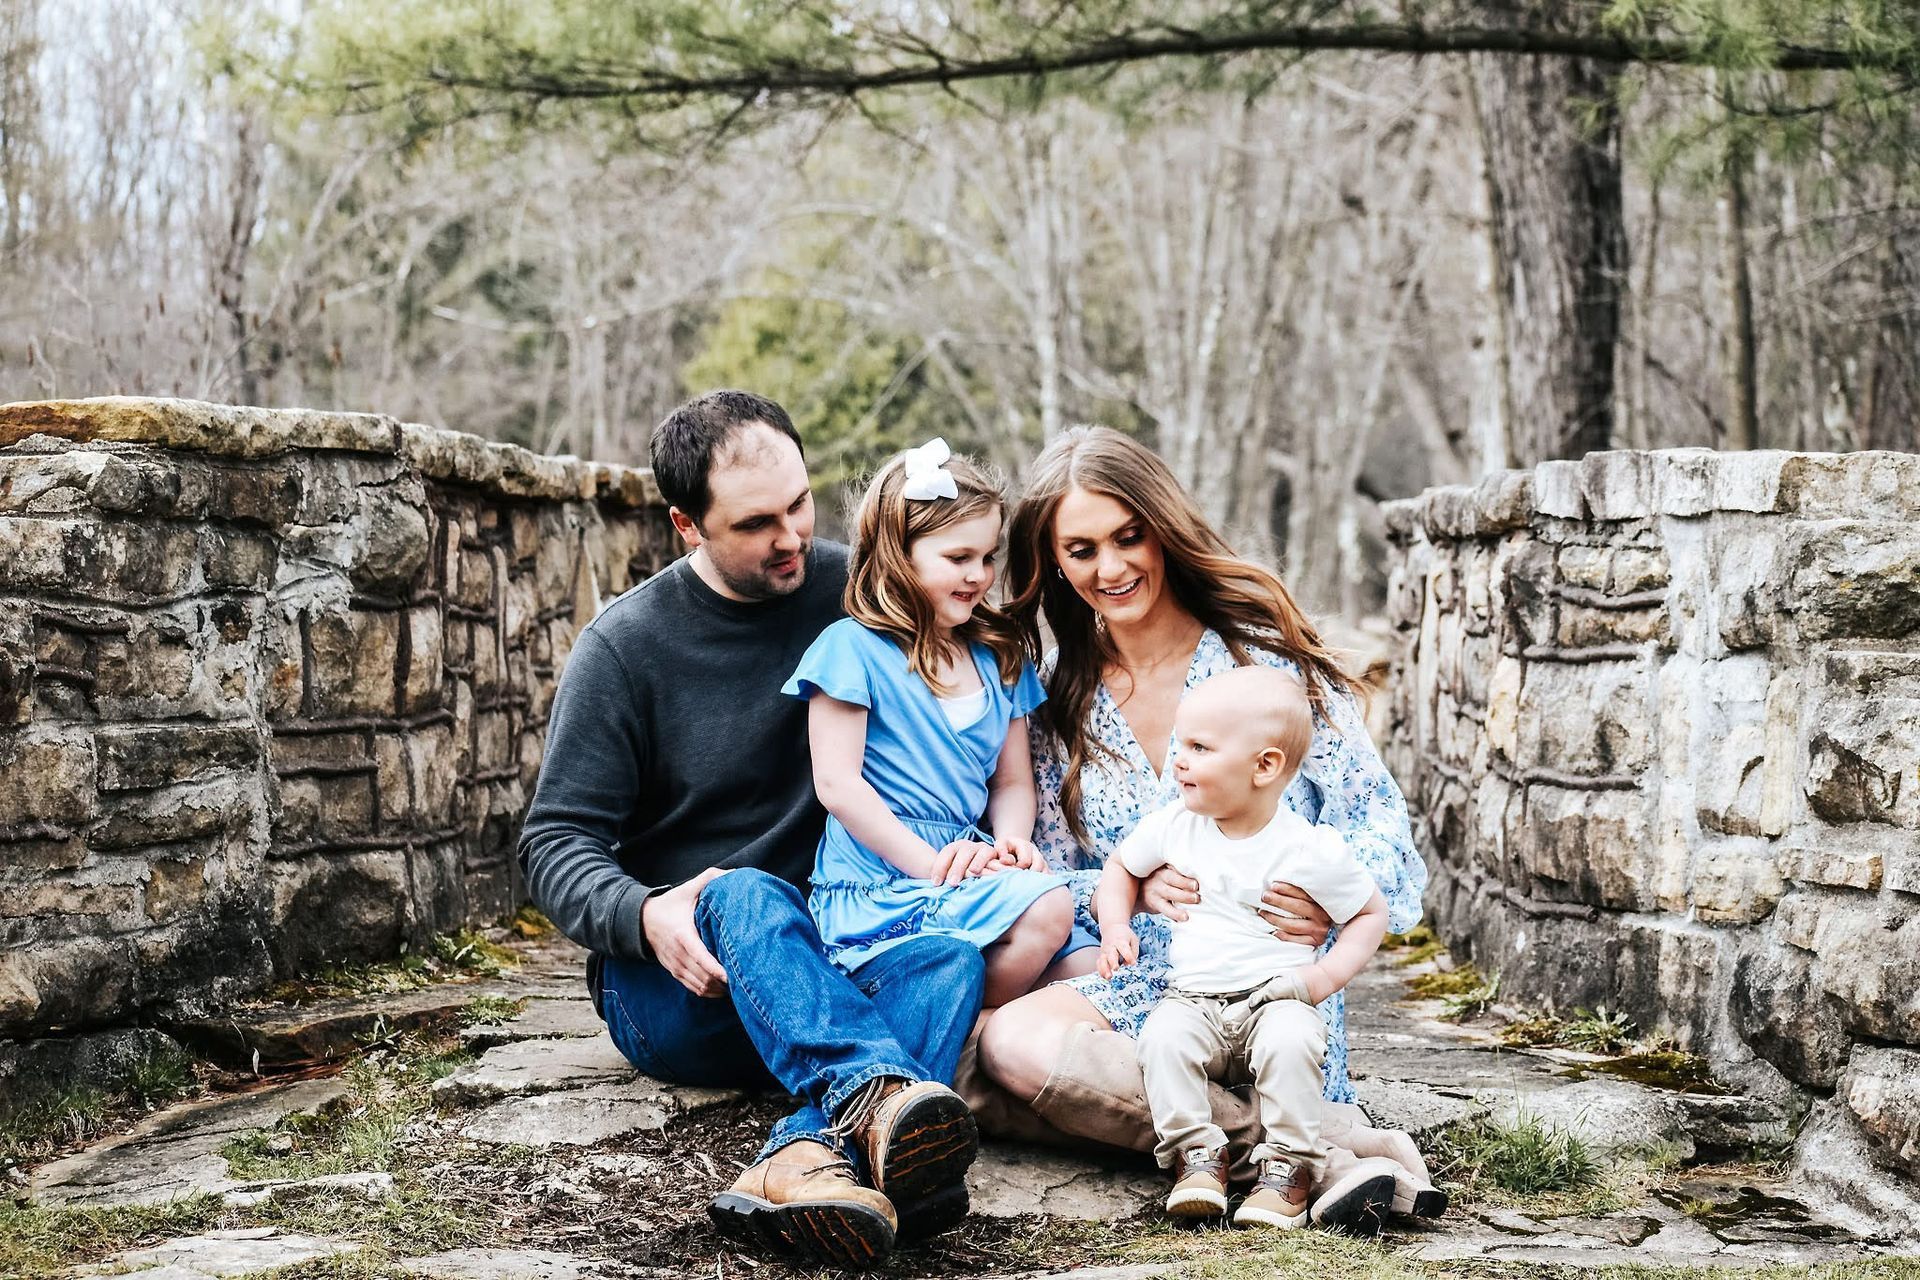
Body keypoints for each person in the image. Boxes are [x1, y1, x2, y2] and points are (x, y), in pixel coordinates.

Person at [518, 392, 985, 1269]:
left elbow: (981, 662)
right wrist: (645, 914)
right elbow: (552, 844)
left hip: (837, 951)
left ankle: (804, 1157)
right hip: (688, 987)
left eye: (801, 504)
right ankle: (876, 1107)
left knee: (950, 960)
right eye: (757, 522)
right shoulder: (623, 650)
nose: (792, 537)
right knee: (745, 892)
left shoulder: (862, 595)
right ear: (685, 525)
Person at [964, 424, 1445, 1228]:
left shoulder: (1265, 665)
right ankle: (1323, 1151)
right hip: (1143, 980)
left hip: (1270, 981)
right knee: (1000, 1044)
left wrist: (1328, 899)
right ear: (1052, 564)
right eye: (1080, 551)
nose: (1111, 568)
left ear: (1163, 527)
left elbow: (1382, 827)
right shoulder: (1055, 702)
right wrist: (1132, 888)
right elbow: (1049, 872)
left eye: (1128, 536)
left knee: (1005, 1077)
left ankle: (1255, 1139)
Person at [786, 438, 1081, 1009]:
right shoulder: (850, 651)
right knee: (1049, 910)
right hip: (882, 879)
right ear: (900, 552)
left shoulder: (998, 659)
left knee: (1089, 962)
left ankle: (973, 1027)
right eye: (958, 558)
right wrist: (929, 867)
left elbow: (1011, 782)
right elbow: (838, 785)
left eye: (988, 557)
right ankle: (939, 1024)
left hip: (968, 863)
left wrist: (1013, 842)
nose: (979, 575)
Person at [1094, 666, 1390, 1230]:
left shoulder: (1308, 848)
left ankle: (1290, 1169)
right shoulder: (1175, 825)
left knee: (1292, 1041)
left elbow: (1370, 914)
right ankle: (1197, 1157)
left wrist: (1321, 980)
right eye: (1182, 743)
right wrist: (1115, 927)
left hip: (1275, 997)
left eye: (1200, 747)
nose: (1179, 759)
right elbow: (1120, 870)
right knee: (1162, 1039)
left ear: (1265, 766)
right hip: (1192, 998)